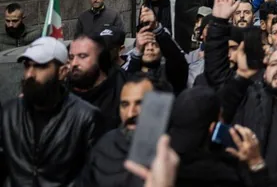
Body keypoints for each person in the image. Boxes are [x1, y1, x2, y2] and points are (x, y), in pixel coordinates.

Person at [2, 37, 102, 185]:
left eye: (40, 67)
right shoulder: (9, 113)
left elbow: (92, 176)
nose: (30, 74)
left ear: (62, 72)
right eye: (27, 66)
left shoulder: (85, 117)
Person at [219, 45, 277, 184]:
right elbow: (219, 110)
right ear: (265, 72)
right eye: (273, 64)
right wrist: (241, 76)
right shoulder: (246, 98)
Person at [79, 73, 172, 187]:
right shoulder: (105, 145)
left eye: (140, 103)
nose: (130, 113)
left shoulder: (177, 152)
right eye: (125, 105)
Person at [169, 86, 272, 186]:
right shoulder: (223, 177)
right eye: (221, 117)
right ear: (213, 127)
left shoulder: (160, 165)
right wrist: (256, 163)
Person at [124, 6, 189, 95]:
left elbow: (176, 59)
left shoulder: (170, 74)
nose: (150, 48)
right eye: (145, 45)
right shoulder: (130, 73)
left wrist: (157, 28)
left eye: (154, 45)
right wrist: (137, 52)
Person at [68, 33, 126, 131]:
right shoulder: (62, 93)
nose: (74, 63)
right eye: (71, 57)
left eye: (82, 56)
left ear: (100, 59)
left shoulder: (122, 89)